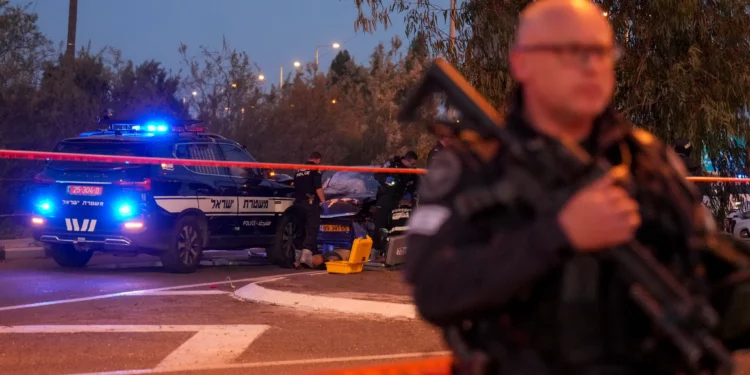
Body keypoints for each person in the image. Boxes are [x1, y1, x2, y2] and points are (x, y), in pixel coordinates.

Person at [405, 1, 750, 374]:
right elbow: (435, 291)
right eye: (570, 52)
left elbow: (705, 266)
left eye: (601, 52)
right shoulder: (474, 167)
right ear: (521, 62)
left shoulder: (649, 162)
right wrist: (560, 234)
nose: (591, 66)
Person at [373, 151, 419, 256]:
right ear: (405, 161)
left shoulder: (412, 173)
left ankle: (398, 250)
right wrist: (386, 179)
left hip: (402, 200)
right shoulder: (392, 164)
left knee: (401, 225)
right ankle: (377, 250)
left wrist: (410, 193)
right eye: (412, 164)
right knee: (381, 223)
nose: (414, 166)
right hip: (387, 198)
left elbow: (416, 184)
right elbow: (377, 174)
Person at [292, 151, 325, 268]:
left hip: (298, 203)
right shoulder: (315, 169)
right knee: (312, 228)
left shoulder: (299, 170)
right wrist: (323, 201)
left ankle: (296, 258)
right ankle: (305, 257)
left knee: (300, 229)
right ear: (317, 160)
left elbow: (294, 185)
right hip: (311, 203)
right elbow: (318, 187)